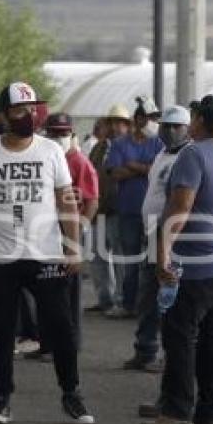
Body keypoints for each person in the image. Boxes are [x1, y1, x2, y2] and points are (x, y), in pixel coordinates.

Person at [0, 82, 94, 424]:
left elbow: (67, 200)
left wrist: (74, 245)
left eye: (32, 109)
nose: (29, 116)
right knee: (2, 331)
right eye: (20, 110)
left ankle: (72, 393)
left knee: (61, 328)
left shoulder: (51, 151)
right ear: (4, 115)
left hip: (46, 254)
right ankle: (1, 398)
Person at [142, 95, 213, 424]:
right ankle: (210, 414)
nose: (189, 122)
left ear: (202, 121)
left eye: (193, 117)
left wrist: (163, 254)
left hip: (193, 264)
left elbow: (180, 208)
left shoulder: (194, 154)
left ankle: (176, 412)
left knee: (180, 337)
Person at [123, 105, 191, 373]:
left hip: (171, 237)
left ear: (188, 129)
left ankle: (168, 355)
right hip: (151, 233)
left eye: (177, 126)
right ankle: (145, 350)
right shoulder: (162, 154)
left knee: (170, 297)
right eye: (167, 125)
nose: (171, 131)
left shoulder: (188, 156)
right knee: (148, 294)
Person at [43, 113, 99, 351]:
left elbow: (92, 199)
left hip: (70, 231)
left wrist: (81, 226)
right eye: (54, 133)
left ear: (72, 134)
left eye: (63, 133)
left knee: (70, 290)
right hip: (46, 231)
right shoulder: (45, 158)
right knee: (47, 288)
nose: (59, 137)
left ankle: (70, 342)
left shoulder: (79, 162)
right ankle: (47, 343)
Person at [105, 99, 164, 318]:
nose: (153, 123)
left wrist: (132, 165)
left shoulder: (158, 143)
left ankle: (149, 305)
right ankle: (128, 304)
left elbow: (159, 171)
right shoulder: (121, 143)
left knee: (153, 260)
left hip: (153, 213)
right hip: (128, 210)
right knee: (130, 260)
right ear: (138, 120)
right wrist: (145, 169)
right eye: (149, 119)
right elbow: (114, 173)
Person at [86, 106, 127, 313]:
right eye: (111, 122)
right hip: (98, 210)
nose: (114, 127)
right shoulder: (98, 148)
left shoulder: (127, 147)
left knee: (120, 258)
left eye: (120, 123)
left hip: (117, 211)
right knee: (96, 256)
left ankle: (121, 300)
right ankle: (105, 299)